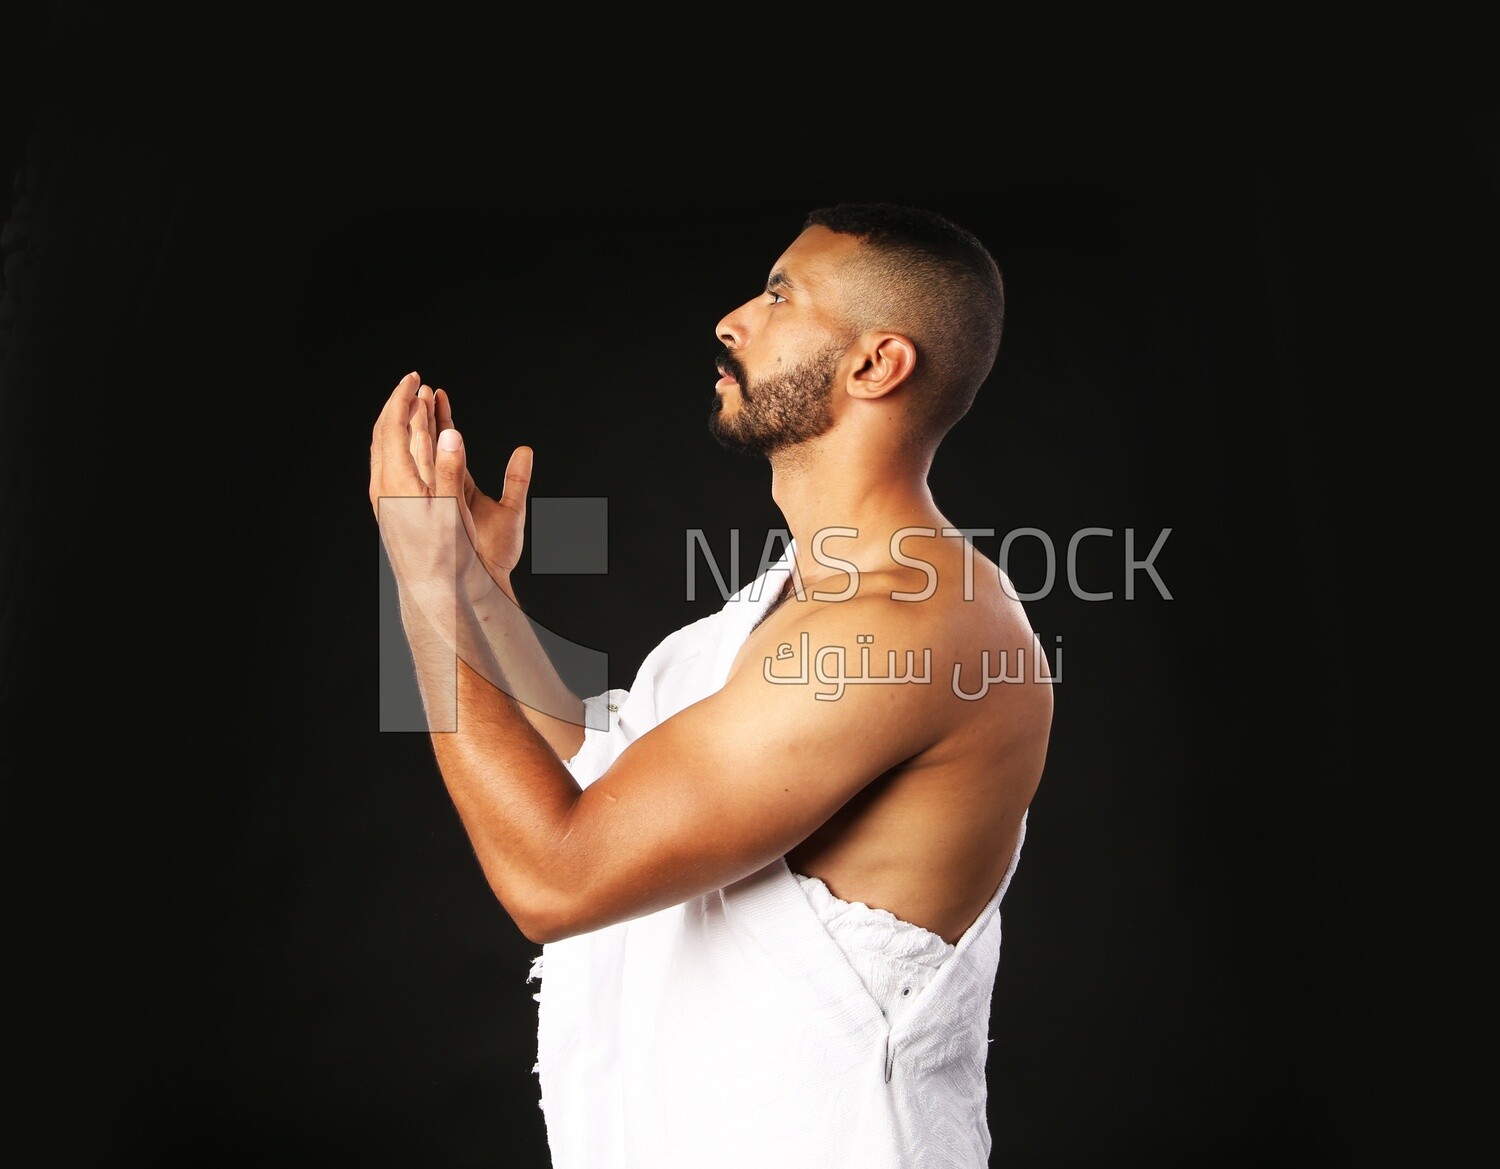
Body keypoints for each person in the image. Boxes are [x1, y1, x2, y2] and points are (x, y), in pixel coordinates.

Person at [368, 202, 1054, 1168]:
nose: (732, 319)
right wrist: (481, 599)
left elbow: (556, 880)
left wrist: (423, 591)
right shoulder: (779, 608)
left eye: (779, 294)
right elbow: (608, 773)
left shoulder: (908, 628)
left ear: (875, 365)